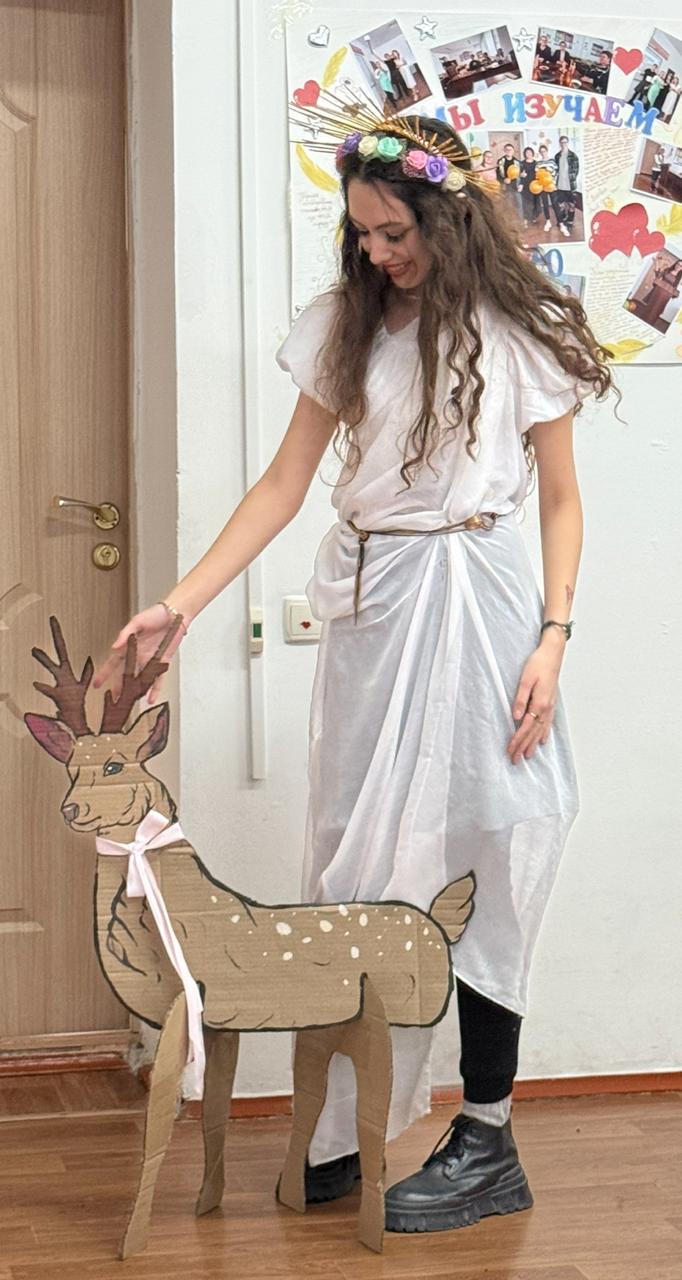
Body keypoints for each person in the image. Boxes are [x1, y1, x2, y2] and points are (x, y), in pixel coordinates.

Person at [94, 111, 613, 1236]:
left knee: (489, 848)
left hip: (482, 605)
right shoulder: (348, 324)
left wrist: (553, 636)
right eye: (363, 235)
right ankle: (343, 1132)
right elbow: (285, 483)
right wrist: (182, 603)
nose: (378, 253)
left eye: (394, 233)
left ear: (447, 219)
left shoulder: (516, 332)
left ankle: (487, 1134)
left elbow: (563, 498)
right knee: (357, 867)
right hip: (375, 611)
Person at [554, 134, 580, 237]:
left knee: (571, 205)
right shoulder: (557, 156)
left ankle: (570, 221)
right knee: (561, 205)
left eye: (565, 142)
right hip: (560, 185)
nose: (563, 144)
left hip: (570, 186)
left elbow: (576, 170)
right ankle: (563, 219)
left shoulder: (573, 156)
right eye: (562, 142)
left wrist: (570, 179)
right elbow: (555, 169)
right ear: (559, 144)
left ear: (567, 143)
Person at [537, 144, 559, 233]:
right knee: (545, 204)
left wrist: (554, 183)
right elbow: (537, 175)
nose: (543, 153)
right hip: (542, 187)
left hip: (551, 185)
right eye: (541, 151)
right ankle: (548, 221)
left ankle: (560, 222)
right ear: (540, 153)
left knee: (555, 204)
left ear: (547, 151)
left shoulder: (552, 161)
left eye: (544, 151)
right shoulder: (538, 163)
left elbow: (556, 173)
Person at [518, 145, 540, 227]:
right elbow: (519, 174)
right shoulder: (522, 163)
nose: (529, 154)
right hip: (526, 185)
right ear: (525, 154)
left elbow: (539, 174)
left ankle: (534, 217)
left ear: (532, 153)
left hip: (535, 185)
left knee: (535, 202)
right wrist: (521, 175)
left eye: (530, 152)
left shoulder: (536, 163)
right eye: (527, 152)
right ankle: (525, 219)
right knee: (526, 203)